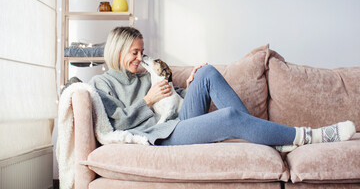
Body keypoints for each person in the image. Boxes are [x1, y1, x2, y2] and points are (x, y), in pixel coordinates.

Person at [89, 26, 356, 149]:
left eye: (142, 52)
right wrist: (146, 101)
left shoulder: (146, 75)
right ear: (118, 50)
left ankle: (266, 136)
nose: (140, 58)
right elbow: (115, 126)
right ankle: (309, 136)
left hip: (178, 122)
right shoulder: (102, 83)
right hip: (156, 135)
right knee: (229, 117)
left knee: (206, 71)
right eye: (134, 53)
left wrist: (189, 86)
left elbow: (171, 101)